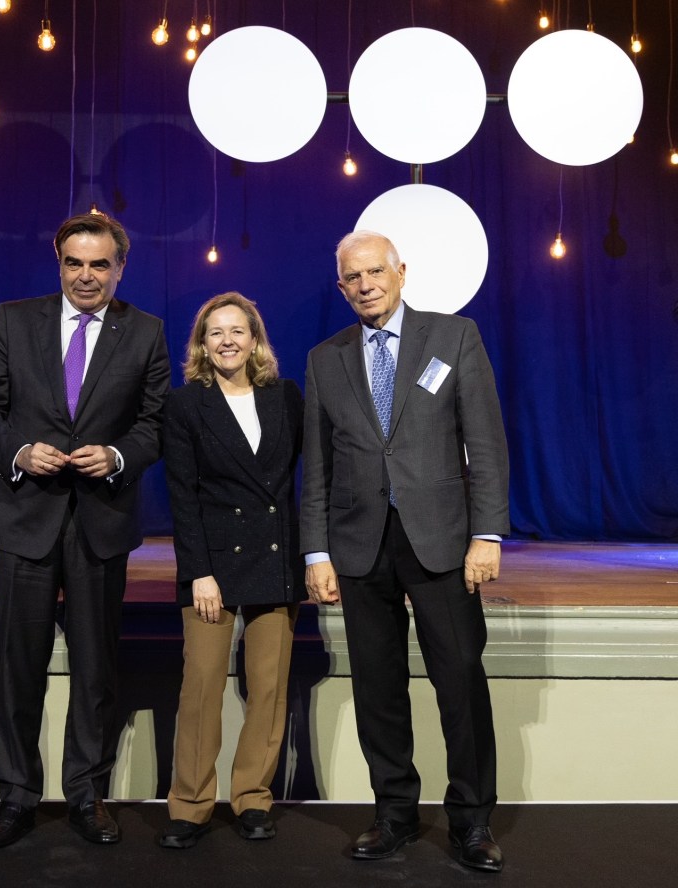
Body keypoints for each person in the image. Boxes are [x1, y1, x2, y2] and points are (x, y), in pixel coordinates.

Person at [300, 231, 509, 873]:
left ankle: (471, 823)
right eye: (351, 278)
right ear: (341, 287)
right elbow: (317, 466)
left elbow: (486, 442)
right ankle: (393, 813)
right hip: (359, 547)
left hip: (443, 541)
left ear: (400, 273)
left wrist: (487, 534)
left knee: (459, 683)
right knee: (378, 688)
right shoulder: (324, 358)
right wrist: (316, 553)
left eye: (374, 272)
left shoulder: (454, 337)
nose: (364, 285)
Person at [0, 212, 170, 848]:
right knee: (16, 667)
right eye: (74, 263)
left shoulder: (146, 332)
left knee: (95, 668)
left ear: (119, 268)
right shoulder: (12, 319)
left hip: (100, 526)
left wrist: (116, 458)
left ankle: (87, 795)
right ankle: (16, 797)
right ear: (59, 264)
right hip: (23, 520)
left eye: (99, 264)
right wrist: (19, 452)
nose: (86, 275)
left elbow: (156, 423)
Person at [158, 292, 305, 850]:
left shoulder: (285, 397)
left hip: (275, 556)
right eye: (214, 332)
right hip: (212, 566)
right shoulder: (185, 405)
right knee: (201, 688)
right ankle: (191, 804)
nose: (226, 341)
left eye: (237, 331)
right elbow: (183, 495)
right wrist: (199, 571)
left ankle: (252, 799)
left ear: (255, 339)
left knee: (268, 689)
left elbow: (303, 477)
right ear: (201, 344)